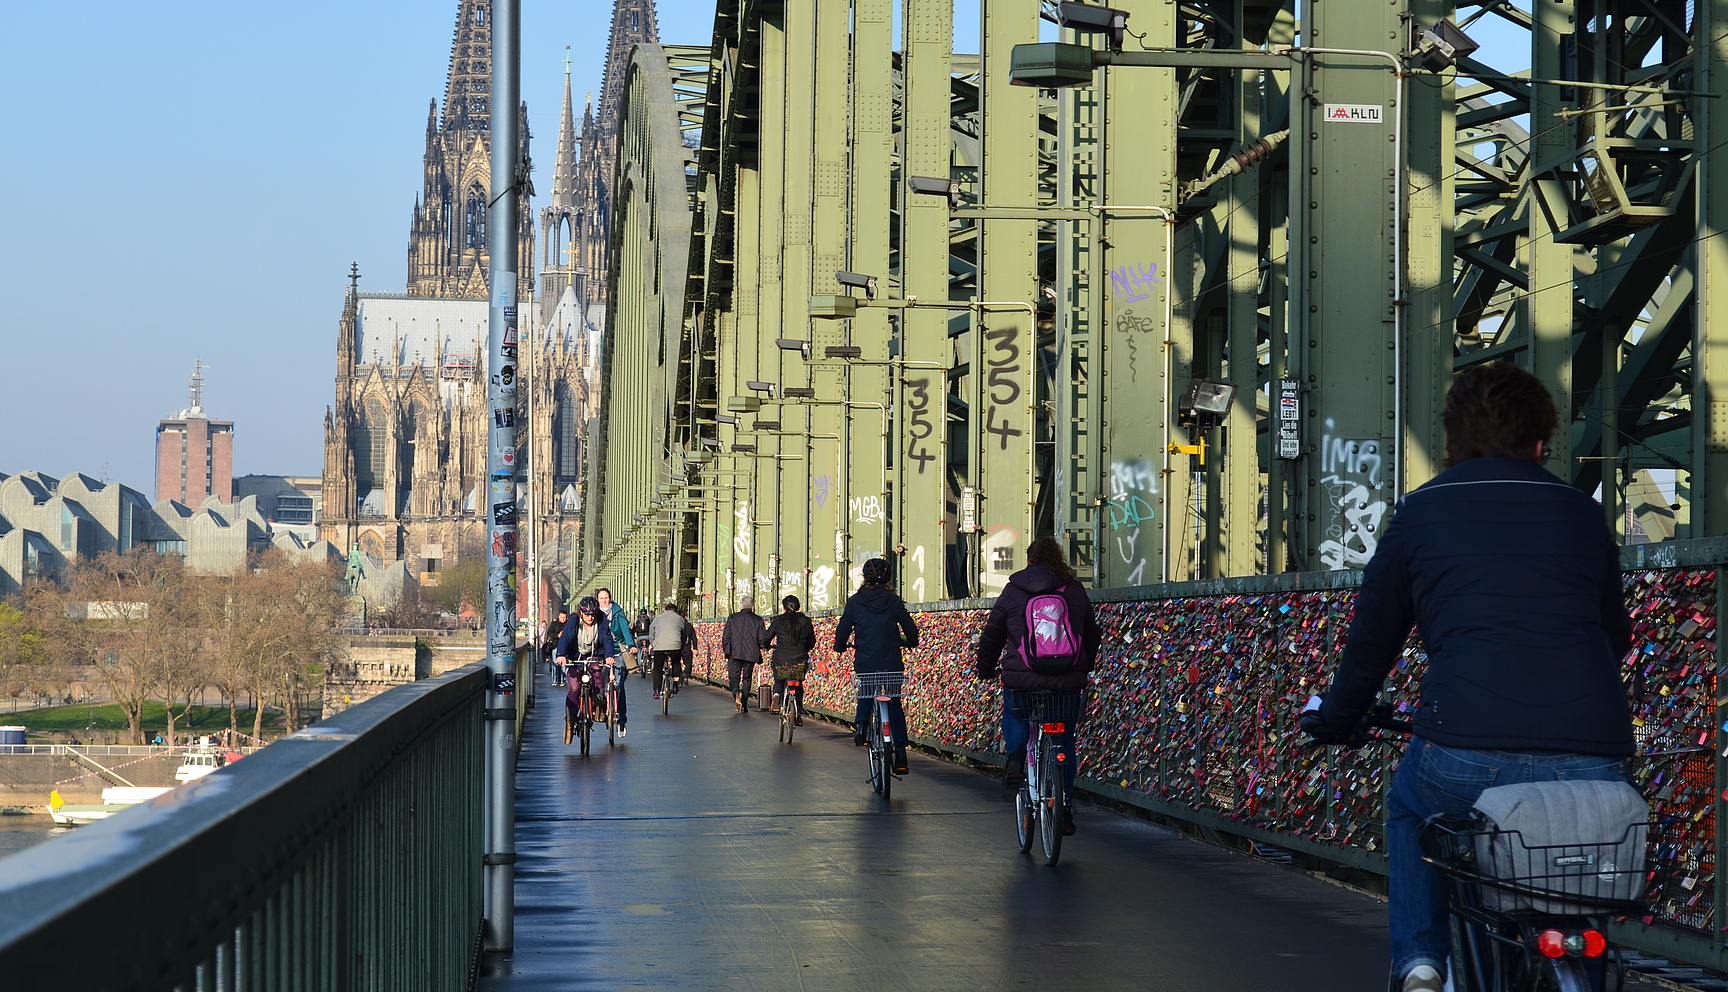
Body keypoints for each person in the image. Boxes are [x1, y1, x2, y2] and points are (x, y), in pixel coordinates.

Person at [1298, 363, 1635, 992]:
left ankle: (1420, 963)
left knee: (1409, 808)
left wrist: (1337, 718)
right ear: (1541, 443)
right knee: (1574, 866)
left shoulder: (1420, 514)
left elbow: (1371, 645)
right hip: (1594, 752)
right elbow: (1615, 637)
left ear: (1454, 443)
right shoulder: (1583, 516)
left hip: (1465, 749)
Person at [975, 537, 1102, 828]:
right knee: (1064, 739)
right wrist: (1085, 666)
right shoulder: (1073, 589)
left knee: (1016, 709)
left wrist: (985, 669)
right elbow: (1091, 633)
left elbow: (993, 634)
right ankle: (1065, 805)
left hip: (1023, 676)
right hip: (1067, 678)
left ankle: (1017, 755)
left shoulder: (1013, 590)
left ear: (1029, 561)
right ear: (1059, 559)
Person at [834, 558, 919, 774]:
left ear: (864, 577)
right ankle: (900, 752)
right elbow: (910, 629)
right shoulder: (893, 600)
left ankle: (861, 726)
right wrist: (910, 641)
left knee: (866, 692)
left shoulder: (855, 602)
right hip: (891, 662)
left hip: (866, 661)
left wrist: (840, 646)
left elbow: (842, 631)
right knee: (894, 703)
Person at [556, 596, 621, 735]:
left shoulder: (602, 620)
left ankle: (598, 706)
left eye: (593, 614)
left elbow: (607, 639)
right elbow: (566, 637)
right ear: (581, 612)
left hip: (594, 655)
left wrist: (609, 656)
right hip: (575, 657)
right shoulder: (574, 620)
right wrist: (561, 654)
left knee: (597, 673)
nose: (590, 617)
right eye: (587, 614)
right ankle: (570, 721)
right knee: (574, 687)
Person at [761, 594, 816, 721]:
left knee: (779, 678)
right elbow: (811, 642)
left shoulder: (778, 620)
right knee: (798, 684)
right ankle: (798, 712)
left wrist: (768, 646)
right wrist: (804, 648)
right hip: (799, 659)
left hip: (781, 657)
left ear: (784, 607)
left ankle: (776, 694)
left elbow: (766, 638)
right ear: (798, 607)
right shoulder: (806, 621)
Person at [592, 589, 633, 736]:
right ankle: (601, 709)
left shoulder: (617, 612)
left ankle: (621, 721)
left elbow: (625, 630)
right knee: (598, 682)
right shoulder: (594, 614)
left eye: (606, 597)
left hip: (617, 650)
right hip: (601, 652)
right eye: (601, 598)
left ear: (610, 598)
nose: (604, 600)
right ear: (597, 600)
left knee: (620, 685)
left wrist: (631, 645)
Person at [721, 597, 766, 711]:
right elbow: (762, 639)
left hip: (734, 653)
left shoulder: (732, 618)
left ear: (741, 606)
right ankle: (744, 704)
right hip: (751, 654)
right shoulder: (758, 620)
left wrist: (727, 651)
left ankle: (736, 692)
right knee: (747, 678)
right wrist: (763, 647)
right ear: (753, 607)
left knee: (734, 676)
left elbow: (726, 636)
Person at [647, 601, 686, 699]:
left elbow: (651, 631)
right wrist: (681, 646)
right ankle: (676, 685)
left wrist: (653, 643)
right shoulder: (680, 619)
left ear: (665, 610)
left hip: (659, 646)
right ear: (676, 611)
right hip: (675, 645)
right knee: (676, 663)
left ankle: (656, 690)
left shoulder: (658, 618)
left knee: (657, 667)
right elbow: (684, 635)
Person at [544, 609, 569, 684]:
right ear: (559, 616)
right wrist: (557, 636)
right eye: (561, 617)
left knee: (564, 664)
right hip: (555, 645)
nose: (563, 619)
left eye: (564, 617)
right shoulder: (554, 624)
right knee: (555, 663)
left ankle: (563, 680)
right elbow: (550, 633)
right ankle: (555, 680)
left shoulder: (568, 624)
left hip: (565, 646)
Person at [677, 605, 698, 679]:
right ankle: (686, 674)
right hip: (687, 647)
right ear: (685, 617)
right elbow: (694, 638)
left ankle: (678, 675)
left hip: (678, 646)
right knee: (688, 661)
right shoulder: (689, 626)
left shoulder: (676, 625)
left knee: (676, 661)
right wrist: (695, 648)